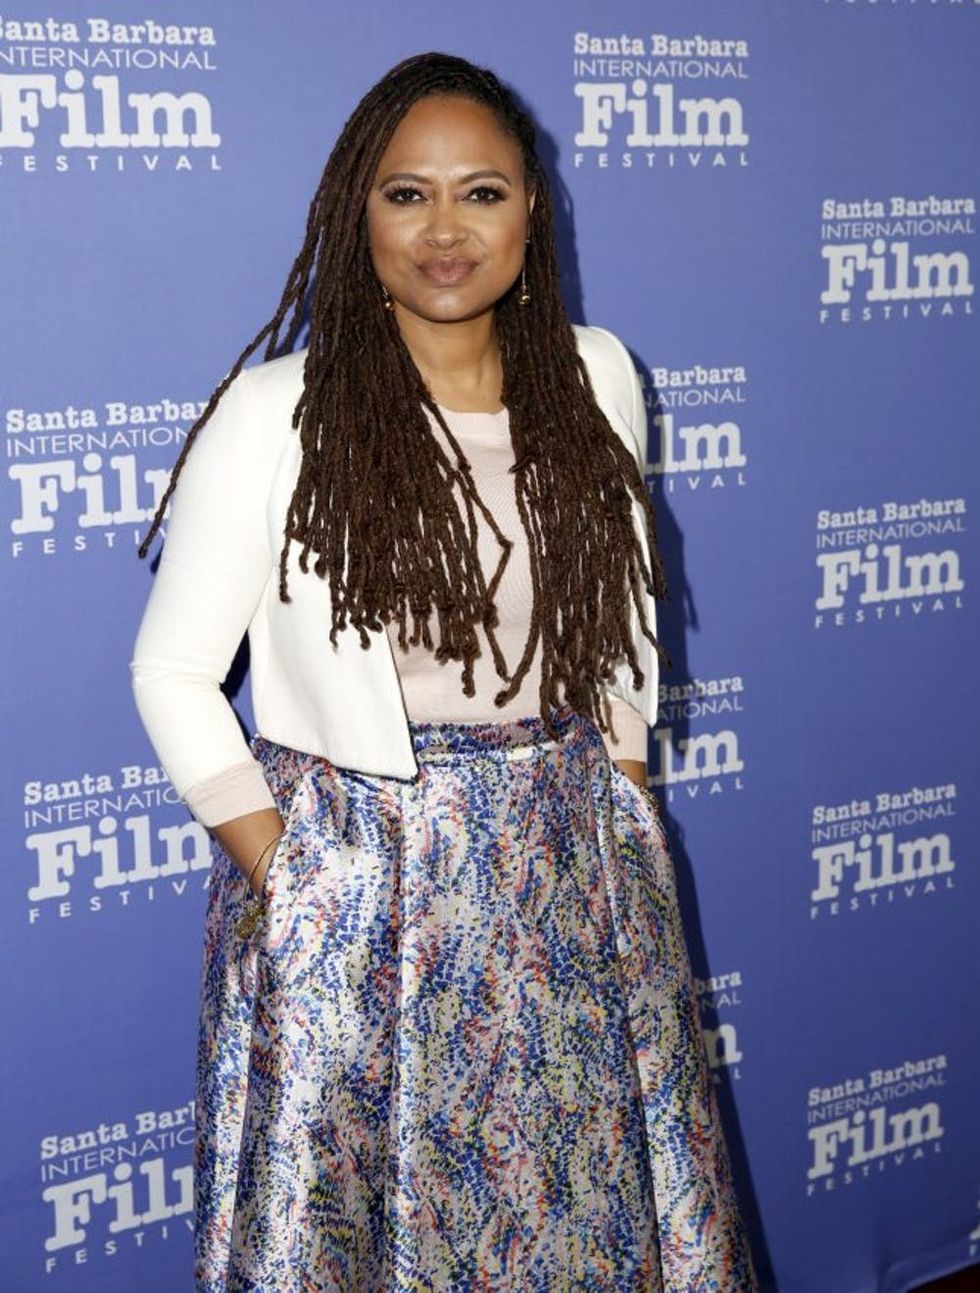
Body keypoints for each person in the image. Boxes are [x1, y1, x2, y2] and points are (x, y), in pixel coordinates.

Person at [130, 49, 757, 1292]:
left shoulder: (598, 377)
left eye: (480, 192)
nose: (444, 231)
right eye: (405, 194)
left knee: (582, 1201)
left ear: (532, 209)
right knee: (357, 1236)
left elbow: (619, 614)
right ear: (356, 213)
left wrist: (620, 782)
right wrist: (293, 872)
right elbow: (171, 670)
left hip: (566, 860)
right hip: (359, 869)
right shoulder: (277, 411)